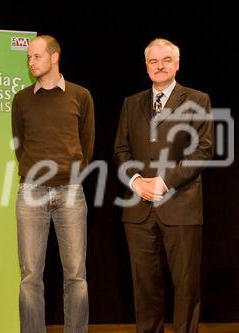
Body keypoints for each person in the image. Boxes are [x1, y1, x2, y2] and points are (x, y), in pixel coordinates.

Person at [113, 38, 214, 333]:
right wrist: (136, 181)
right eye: (153, 61)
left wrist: (164, 181)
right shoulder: (131, 103)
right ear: (146, 66)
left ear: (177, 64)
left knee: (185, 287)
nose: (159, 66)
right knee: (144, 286)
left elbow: (203, 151)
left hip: (181, 207)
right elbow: (121, 150)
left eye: (166, 60)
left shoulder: (198, 100)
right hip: (138, 210)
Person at [11, 35, 94, 333]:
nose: (31, 61)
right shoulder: (21, 99)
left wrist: (69, 174)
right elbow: (18, 144)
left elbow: (87, 143)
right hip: (31, 192)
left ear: (55, 57)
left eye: (36, 56)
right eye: (29, 58)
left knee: (76, 275)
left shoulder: (80, 95)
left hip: (71, 191)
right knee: (31, 275)